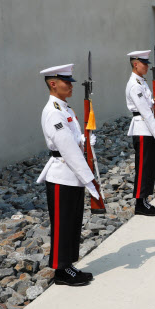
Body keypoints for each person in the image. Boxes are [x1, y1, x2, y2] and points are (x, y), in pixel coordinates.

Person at [37, 64, 97, 286]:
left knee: (72, 221)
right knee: (63, 224)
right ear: (53, 84)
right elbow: (67, 149)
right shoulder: (53, 111)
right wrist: (89, 179)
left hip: (71, 174)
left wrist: (85, 140)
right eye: (66, 82)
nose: (70, 85)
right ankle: (60, 270)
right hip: (62, 173)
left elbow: (74, 139)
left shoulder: (66, 109)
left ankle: (68, 264)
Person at [126, 50, 155, 216]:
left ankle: (144, 200)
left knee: (149, 166)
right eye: (144, 63)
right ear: (136, 64)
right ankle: (140, 203)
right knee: (143, 167)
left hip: (147, 128)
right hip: (143, 128)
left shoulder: (141, 82)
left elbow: (149, 105)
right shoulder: (135, 85)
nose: (147, 66)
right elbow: (145, 112)